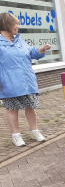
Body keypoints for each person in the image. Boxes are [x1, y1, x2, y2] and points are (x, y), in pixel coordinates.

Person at [0, 12, 52, 147]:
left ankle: (35, 131)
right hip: (9, 81)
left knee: (30, 106)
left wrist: (41, 50)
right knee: (12, 109)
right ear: (6, 25)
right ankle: (16, 135)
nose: (17, 26)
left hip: (27, 81)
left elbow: (31, 52)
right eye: (15, 24)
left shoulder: (19, 41)